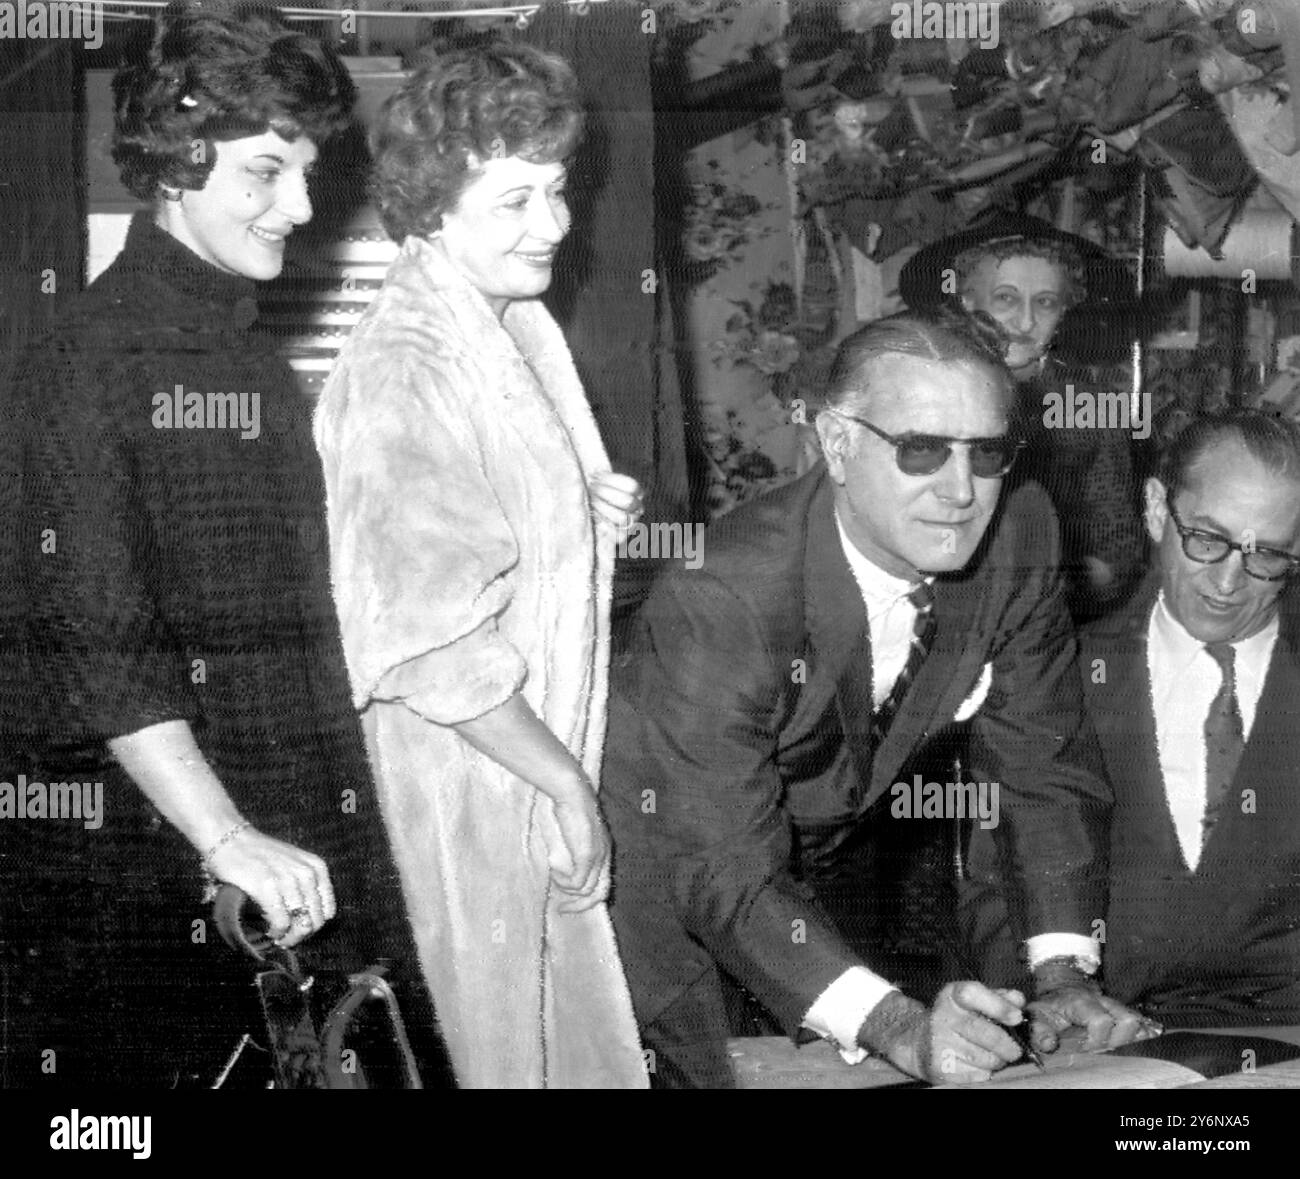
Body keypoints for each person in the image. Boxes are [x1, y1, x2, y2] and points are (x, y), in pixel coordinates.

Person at [0, 0, 423, 1088]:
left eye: (308, 171)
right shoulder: (85, 354)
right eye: (265, 172)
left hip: (298, 842)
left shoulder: (252, 363)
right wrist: (226, 838)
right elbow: (98, 637)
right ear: (177, 161)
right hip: (161, 877)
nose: (299, 205)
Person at [601, 310, 1155, 1089]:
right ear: (837, 443)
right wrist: (899, 1025)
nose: (960, 492)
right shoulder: (725, 593)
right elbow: (717, 865)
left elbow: (1044, 763)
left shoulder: (1020, 532)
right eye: (921, 450)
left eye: (986, 453)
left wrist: (1062, 974)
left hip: (803, 890)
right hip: (647, 898)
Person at [313, 43, 648, 1089]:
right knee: (493, 1051)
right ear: (431, 208)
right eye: (513, 201)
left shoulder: (512, 323)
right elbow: (426, 638)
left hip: (531, 768)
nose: (551, 225)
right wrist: (563, 786)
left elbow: (498, 534)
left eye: (554, 192)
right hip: (466, 787)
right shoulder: (405, 362)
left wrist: (583, 515)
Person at [1081, 408, 1300, 1024]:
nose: (1229, 582)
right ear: (1155, 510)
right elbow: (998, 889)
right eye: (1206, 540)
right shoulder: (1062, 674)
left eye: (1268, 556)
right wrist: (1052, 1004)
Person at [900, 211, 1145, 618]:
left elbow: (1119, 548)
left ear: (1065, 310)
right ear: (966, 299)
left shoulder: (1088, 410)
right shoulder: (918, 396)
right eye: (1006, 299)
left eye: (1046, 302)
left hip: (1043, 623)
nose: (1027, 321)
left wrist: (1049, 585)